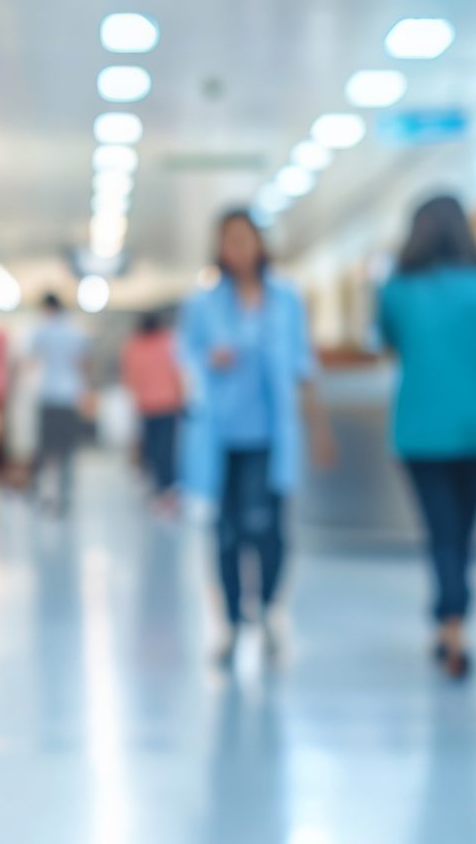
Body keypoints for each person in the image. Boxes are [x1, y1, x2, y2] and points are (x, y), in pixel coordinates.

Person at [180, 209, 337, 665]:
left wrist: (319, 427)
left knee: (269, 532)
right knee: (226, 533)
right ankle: (230, 623)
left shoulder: (286, 300)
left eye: (246, 240)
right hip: (221, 438)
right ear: (219, 248)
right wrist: (209, 359)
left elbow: (303, 366)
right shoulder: (204, 305)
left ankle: (267, 610)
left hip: (271, 436)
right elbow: (185, 358)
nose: (239, 249)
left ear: (260, 244)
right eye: (229, 240)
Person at [378, 195, 476, 681]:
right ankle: (454, 617)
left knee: (440, 531)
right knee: (462, 532)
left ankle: (451, 622)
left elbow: (388, 348)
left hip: (421, 430)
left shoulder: (397, 291)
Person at [24, 291, 91, 512]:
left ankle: (42, 492)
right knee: (67, 450)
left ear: (47, 307)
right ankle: (64, 495)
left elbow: (31, 359)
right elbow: (83, 364)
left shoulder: (43, 330)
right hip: (70, 396)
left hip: (49, 395)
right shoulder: (75, 331)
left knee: (45, 449)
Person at [121, 312, 185, 515]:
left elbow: (130, 378)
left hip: (147, 405)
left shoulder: (134, 346)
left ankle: (160, 491)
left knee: (153, 451)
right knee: (167, 450)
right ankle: (169, 491)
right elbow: (178, 372)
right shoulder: (169, 342)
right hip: (168, 403)